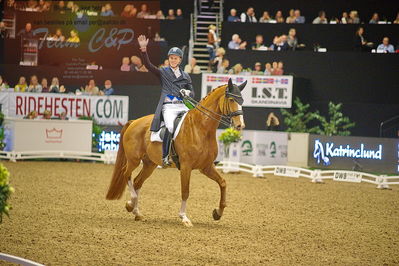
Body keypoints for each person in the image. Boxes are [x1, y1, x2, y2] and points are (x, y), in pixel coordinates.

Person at [137, 35, 194, 166]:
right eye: (171, 58)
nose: (173, 60)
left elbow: (192, 92)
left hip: (182, 105)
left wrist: (188, 92)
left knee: (194, 123)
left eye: (175, 58)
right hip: (169, 107)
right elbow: (149, 65)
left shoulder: (186, 76)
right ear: (169, 59)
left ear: (180, 60)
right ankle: (165, 156)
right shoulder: (163, 72)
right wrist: (144, 50)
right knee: (170, 126)